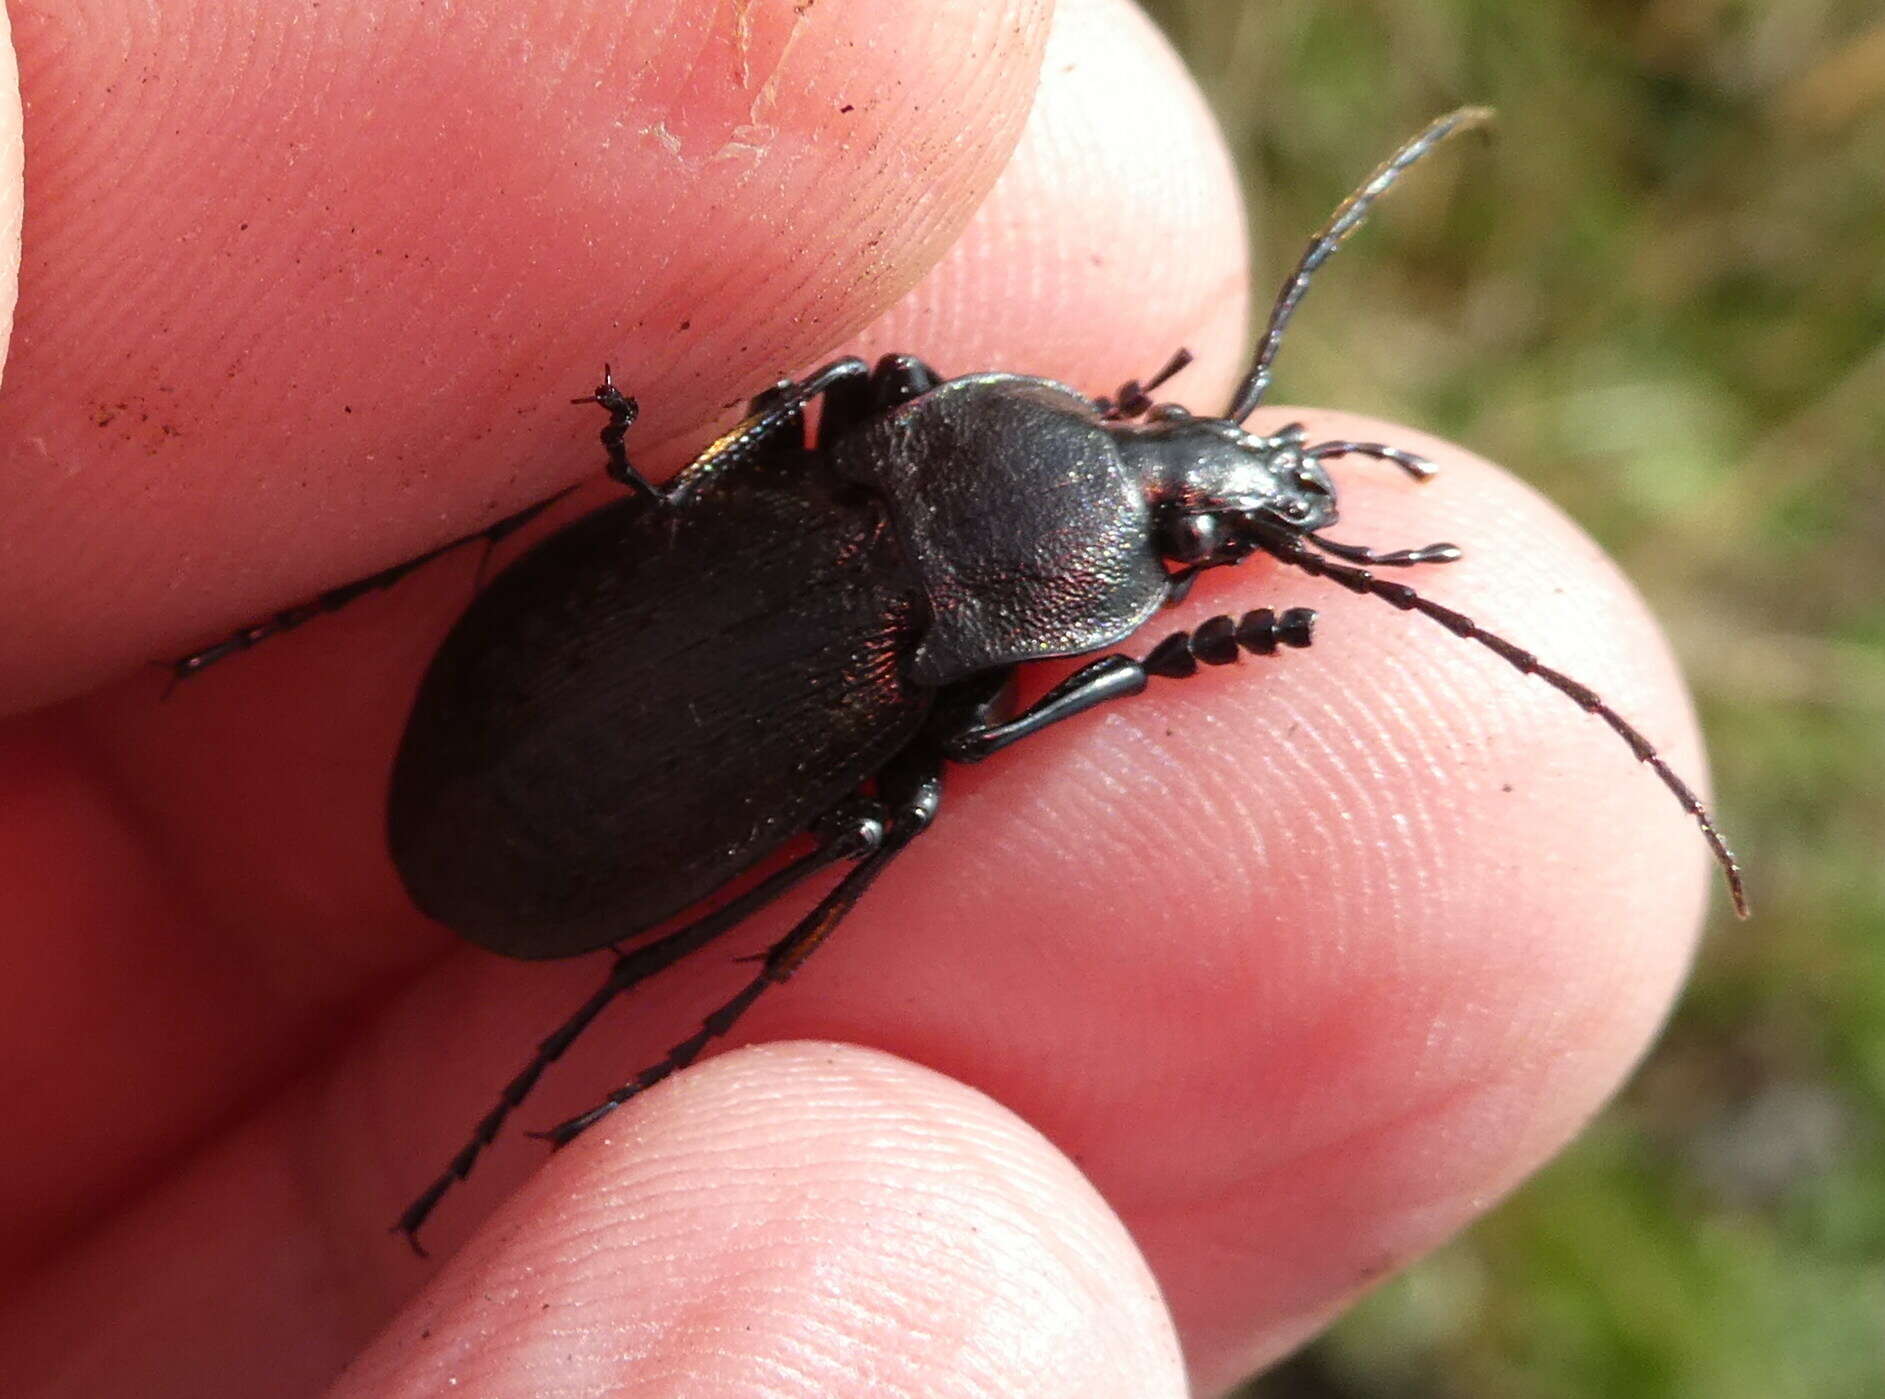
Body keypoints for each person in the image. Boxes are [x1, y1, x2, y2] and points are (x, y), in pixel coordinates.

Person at [0, 2, 1713, 1394]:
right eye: (1167, 497)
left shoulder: (902, 465)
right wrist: (1143, 658)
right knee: (892, 809)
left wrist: (704, 502)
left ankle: (602, 992)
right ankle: (611, 1019)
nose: (1210, 472)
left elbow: (856, 412)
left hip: (548, 787)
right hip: (531, 777)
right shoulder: (955, 589)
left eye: (1178, 511)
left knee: (881, 778)